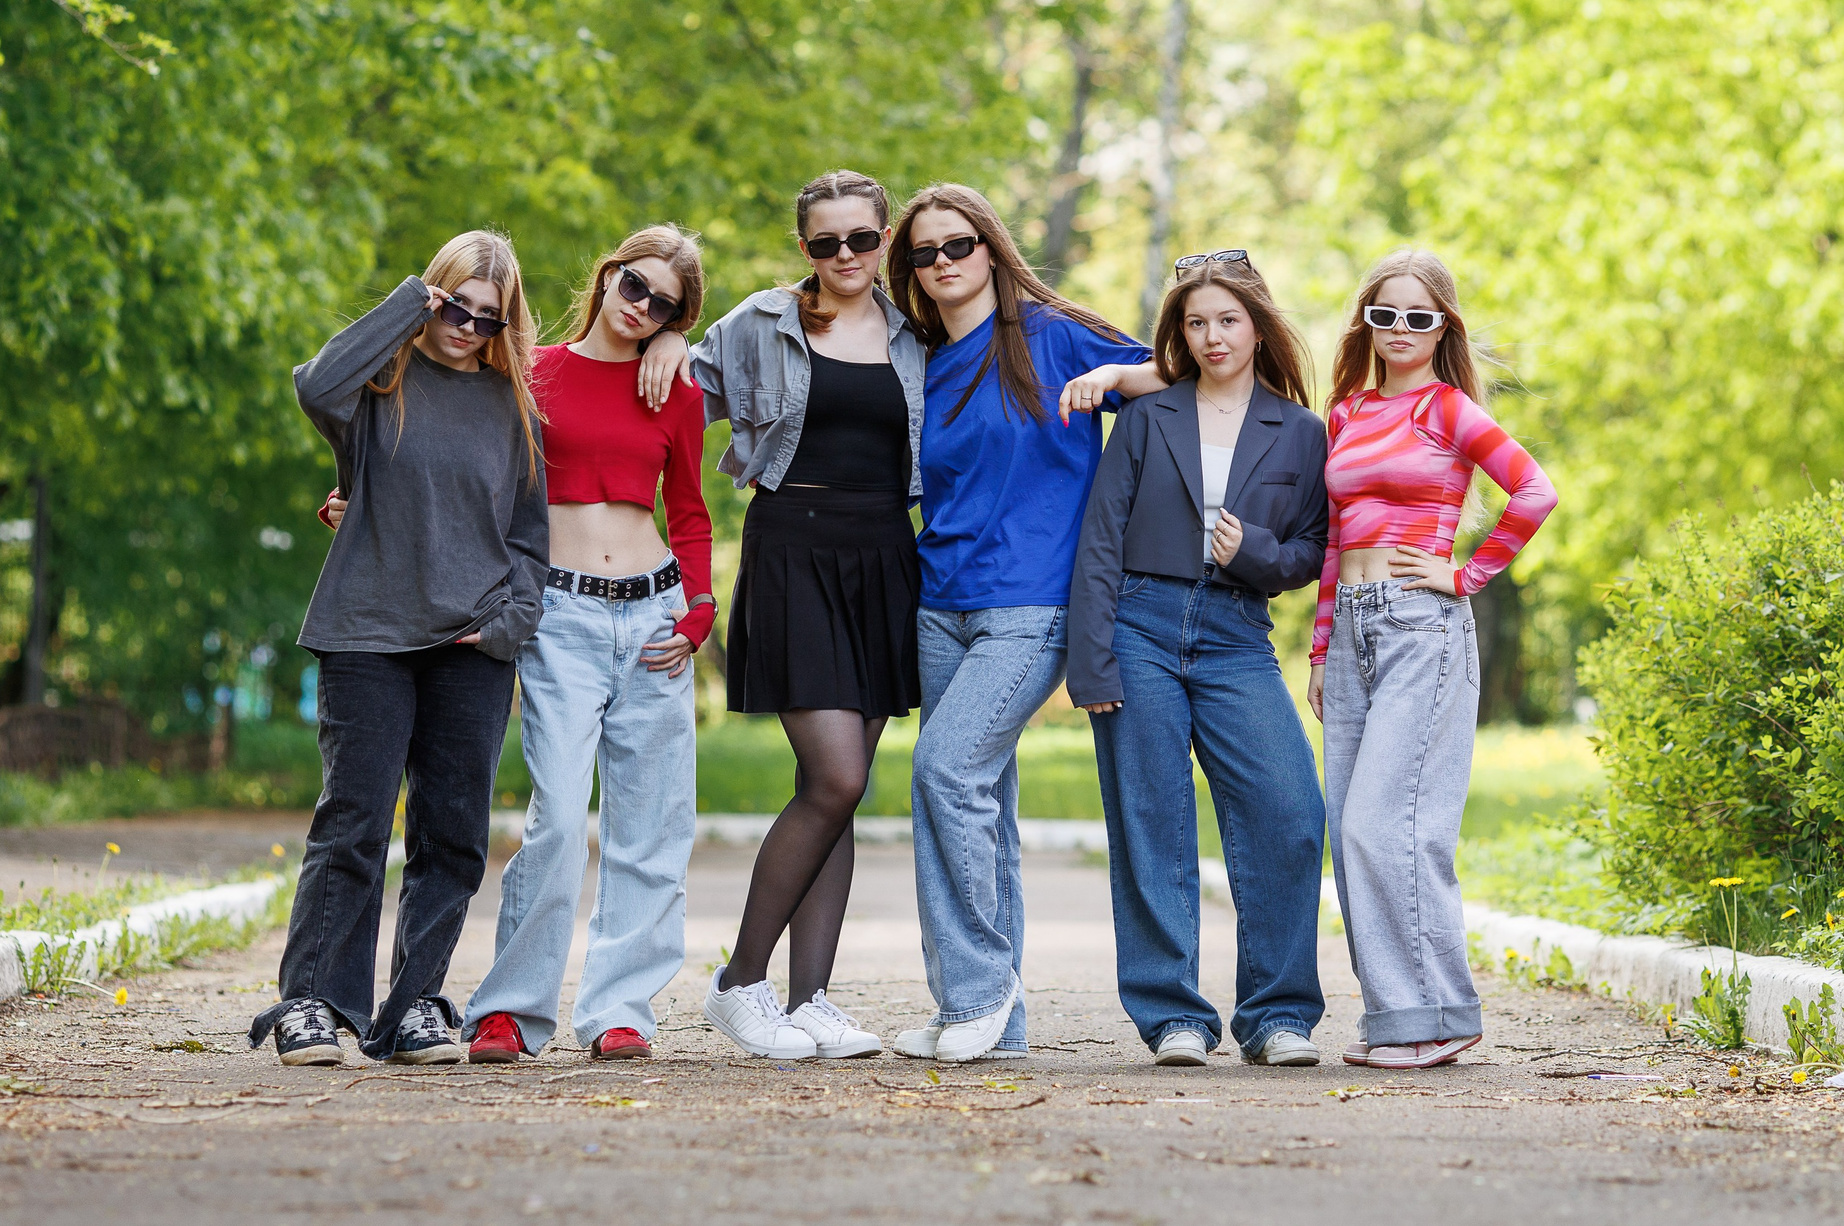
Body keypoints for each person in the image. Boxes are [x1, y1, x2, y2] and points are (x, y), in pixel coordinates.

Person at [251, 230, 547, 1066]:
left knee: (452, 835)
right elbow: (316, 383)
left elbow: (529, 539)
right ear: (431, 297)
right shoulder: (379, 386)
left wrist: (510, 622)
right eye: (456, 306)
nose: (468, 326)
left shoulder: (515, 407)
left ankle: (413, 1005)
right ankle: (312, 1002)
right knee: (352, 822)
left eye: (488, 318)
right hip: (368, 634)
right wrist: (407, 304)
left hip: (471, 645)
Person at [651, 170, 926, 1059]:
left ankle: (811, 1000)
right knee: (835, 777)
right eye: (825, 242)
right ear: (802, 247)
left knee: (835, 795)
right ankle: (739, 984)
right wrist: (663, 340)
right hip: (793, 548)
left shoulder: (920, 333)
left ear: (885, 240)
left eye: (861, 239)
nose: (844, 255)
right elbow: (663, 395)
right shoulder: (761, 322)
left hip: (886, 556)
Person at [886, 183, 1164, 1063]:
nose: (941, 266)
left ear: (991, 248)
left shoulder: (1053, 335)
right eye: (923, 255)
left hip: (1034, 603)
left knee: (944, 769)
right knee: (973, 802)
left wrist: (1119, 377)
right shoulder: (922, 357)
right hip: (941, 605)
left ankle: (977, 992)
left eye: (957, 246)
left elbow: (1185, 369)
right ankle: (991, 1020)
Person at [441, 226, 713, 1064]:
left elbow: (692, 510)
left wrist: (699, 611)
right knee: (558, 816)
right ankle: (511, 1010)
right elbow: (455, 457)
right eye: (634, 287)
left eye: (665, 304)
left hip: (656, 616)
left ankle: (621, 1008)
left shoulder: (677, 388)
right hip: (560, 617)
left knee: (653, 826)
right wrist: (360, 498)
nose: (642, 308)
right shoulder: (532, 371)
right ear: (608, 274)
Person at [1067, 251, 1330, 1068]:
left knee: (1290, 812)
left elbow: (1309, 552)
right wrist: (1093, 659)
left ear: (1257, 327)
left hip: (1234, 635)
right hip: (1138, 628)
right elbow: (1101, 539)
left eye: (1227, 320)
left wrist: (1251, 549)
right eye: (1195, 323)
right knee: (1153, 820)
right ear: (1177, 335)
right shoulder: (1149, 419)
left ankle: (1278, 1015)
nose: (1212, 336)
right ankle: (1172, 1015)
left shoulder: (1301, 430)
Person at [1309, 248, 1557, 1071]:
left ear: (1442, 326)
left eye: (1420, 317)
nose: (1402, 330)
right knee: (1350, 833)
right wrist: (1319, 648)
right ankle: (1401, 1018)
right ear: (1367, 324)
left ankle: (1441, 1015)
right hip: (1351, 629)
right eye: (1386, 315)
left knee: (1390, 825)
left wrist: (1466, 573)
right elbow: (1336, 539)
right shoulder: (1346, 413)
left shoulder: (1449, 411)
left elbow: (1534, 492)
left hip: (1423, 624)